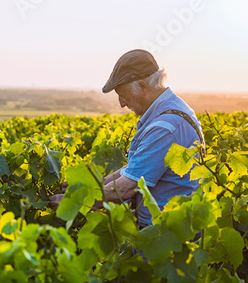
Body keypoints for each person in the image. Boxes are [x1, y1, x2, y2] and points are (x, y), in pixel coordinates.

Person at [50, 49, 205, 228]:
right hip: (169, 228)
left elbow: (127, 187)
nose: (122, 103)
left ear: (142, 87)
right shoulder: (173, 110)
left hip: (166, 234)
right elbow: (137, 168)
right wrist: (93, 185)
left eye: (123, 94)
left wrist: (76, 202)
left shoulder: (165, 127)